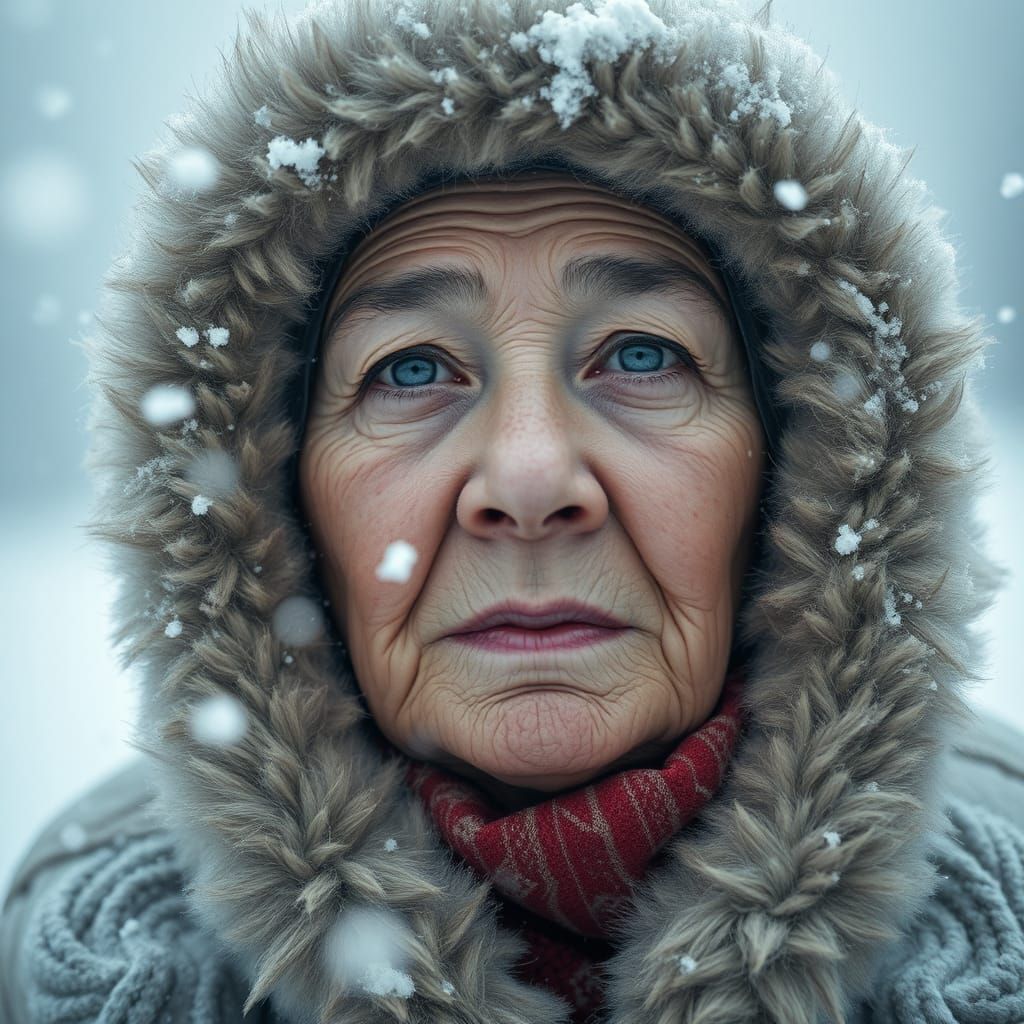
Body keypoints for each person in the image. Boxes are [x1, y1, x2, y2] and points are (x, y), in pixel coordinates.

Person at [3, 0, 1024, 1021]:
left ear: (798, 475)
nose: (530, 482)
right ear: (276, 514)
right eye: (410, 370)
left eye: (642, 355)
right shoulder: (86, 960)